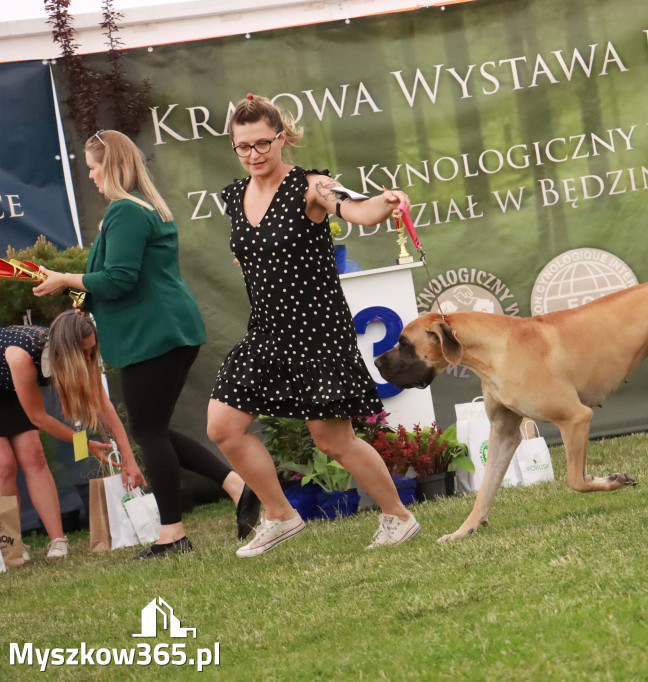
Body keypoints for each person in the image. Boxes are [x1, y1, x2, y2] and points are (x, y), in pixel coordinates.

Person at [206, 93, 419, 558]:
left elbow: (357, 210)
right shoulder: (233, 196)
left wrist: (385, 203)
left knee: (332, 439)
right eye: (243, 147)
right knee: (223, 427)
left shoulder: (311, 186)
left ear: (282, 137)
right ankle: (280, 515)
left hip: (317, 331)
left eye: (262, 143)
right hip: (265, 331)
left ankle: (397, 516)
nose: (254, 155)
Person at [33, 130, 260, 560]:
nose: (93, 178)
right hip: (166, 331)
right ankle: (237, 486)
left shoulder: (126, 213)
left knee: (149, 431)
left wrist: (66, 279)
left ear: (112, 166)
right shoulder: (142, 209)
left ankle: (172, 535)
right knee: (152, 428)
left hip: (153, 335)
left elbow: (120, 279)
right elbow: (120, 278)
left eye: (95, 169)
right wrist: (82, 295)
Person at [1, 311, 143, 560]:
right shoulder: (21, 355)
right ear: (66, 349)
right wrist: (86, 445)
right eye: (85, 352)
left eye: (91, 351)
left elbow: (103, 405)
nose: (89, 357)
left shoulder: (79, 354)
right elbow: (39, 418)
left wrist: (129, 459)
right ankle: (11, 545)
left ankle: (58, 541)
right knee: (4, 465)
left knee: (33, 454)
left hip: (12, 388)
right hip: (11, 376)